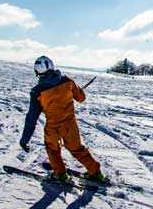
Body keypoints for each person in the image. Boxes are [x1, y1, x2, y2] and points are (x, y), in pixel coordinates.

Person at [19, 56, 106, 184]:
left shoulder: (37, 91)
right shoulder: (67, 81)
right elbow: (81, 98)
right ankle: (96, 172)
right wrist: (78, 90)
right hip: (71, 124)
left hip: (53, 127)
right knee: (77, 149)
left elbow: (32, 118)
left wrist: (24, 139)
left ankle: (60, 174)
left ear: (37, 71)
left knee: (52, 148)